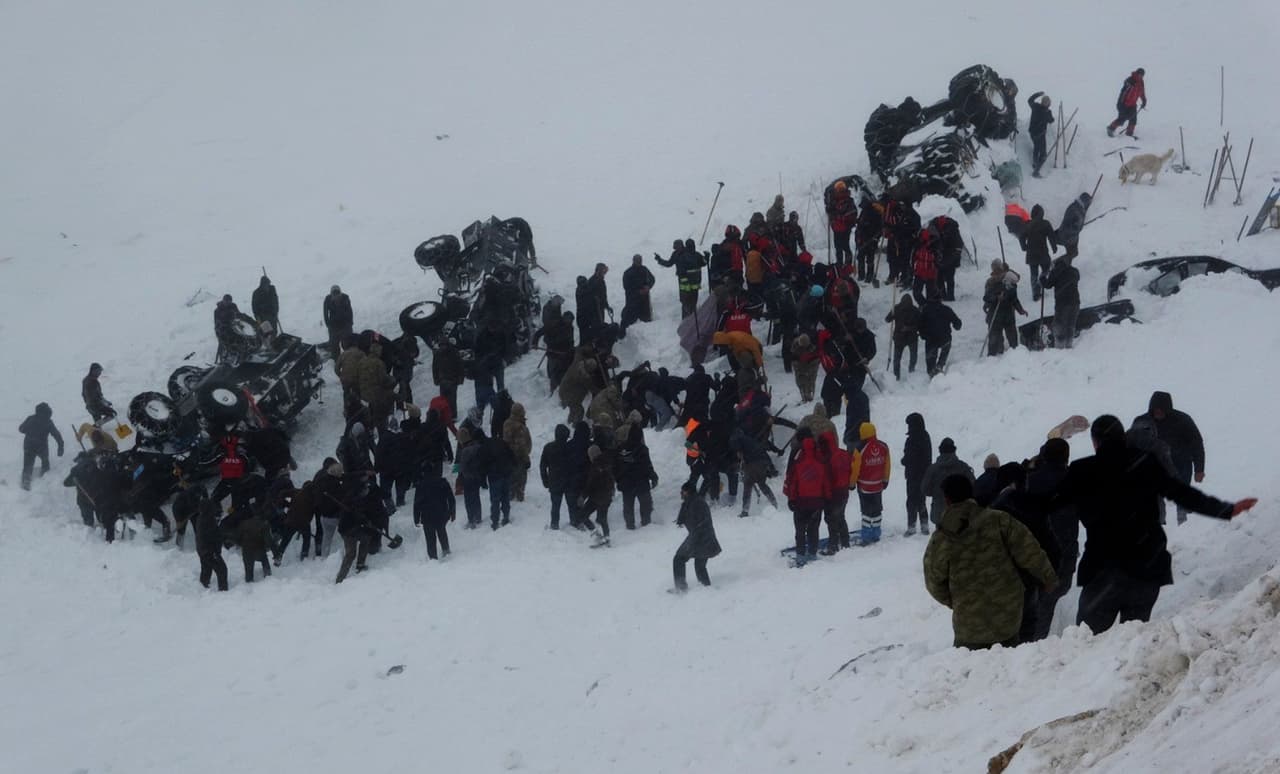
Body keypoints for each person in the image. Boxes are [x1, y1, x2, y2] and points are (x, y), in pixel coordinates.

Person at [1054, 415, 1255, 634]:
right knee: (1133, 640)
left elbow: (1049, 504)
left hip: (1103, 570)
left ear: (1095, 442)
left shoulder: (1082, 470)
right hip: (1146, 567)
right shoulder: (1145, 464)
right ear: (1123, 437)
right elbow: (1181, 493)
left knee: (1084, 641)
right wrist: (1225, 510)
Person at [923, 475, 1059, 650]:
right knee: (1006, 664)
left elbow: (933, 580)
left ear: (947, 499)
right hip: (1007, 617)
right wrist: (1048, 578)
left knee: (971, 669)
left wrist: (956, 600)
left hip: (969, 626)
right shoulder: (999, 520)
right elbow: (1029, 550)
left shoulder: (942, 537)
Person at [1025, 438, 1076, 639]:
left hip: (1035, 550)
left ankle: (1033, 643)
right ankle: (1041, 641)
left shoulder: (1030, 481)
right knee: (1052, 598)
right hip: (1065, 550)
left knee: (1034, 600)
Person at [1134, 392, 1207, 525]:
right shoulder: (1142, 422)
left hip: (1181, 465)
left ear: (1168, 409)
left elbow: (1197, 443)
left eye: (1161, 410)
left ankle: (1184, 526)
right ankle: (1158, 525)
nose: (1158, 413)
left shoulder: (1183, 420)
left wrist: (1199, 469)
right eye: (1155, 410)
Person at [783, 433, 830, 565]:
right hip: (816, 502)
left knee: (800, 530)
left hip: (801, 503)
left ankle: (800, 555)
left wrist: (791, 500)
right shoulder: (821, 464)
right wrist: (826, 498)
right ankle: (812, 553)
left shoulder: (798, 465)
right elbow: (825, 484)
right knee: (813, 529)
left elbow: (793, 485)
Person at [673, 482, 721, 591]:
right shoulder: (691, 501)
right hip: (703, 538)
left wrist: (693, 541)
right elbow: (684, 515)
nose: (681, 493)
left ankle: (681, 588)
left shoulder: (698, 503)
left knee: (679, 559)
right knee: (699, 565)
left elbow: (701, 524)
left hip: (701, 538)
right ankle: (706, 588)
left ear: (688, 492)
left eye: (683, 491)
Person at [850, 422, 890, 545]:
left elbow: (855, 468)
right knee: (877, 510)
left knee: (866, 512)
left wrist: (851, 483)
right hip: (878, 485)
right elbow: (887, 465)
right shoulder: (884, 446)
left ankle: (867, 535)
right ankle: (876, 532)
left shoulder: (860, 448)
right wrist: (885, 480)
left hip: (864, 486)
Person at [920, 437, 975, 526]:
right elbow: (973, 486)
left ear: (940, 451)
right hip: (960, 512)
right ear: (954, 450)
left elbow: (924, 489)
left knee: (940, 537)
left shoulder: (933, 469)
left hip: (939, 511)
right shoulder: (963, 467)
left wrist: (937, 493)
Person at [615, 424, 658, 529]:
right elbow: (647, 465)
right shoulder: (642, 449)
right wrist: (653, 477)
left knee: (628, 506)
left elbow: (615, 466)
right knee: (645, 504)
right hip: (641, 482)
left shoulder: (621, 448)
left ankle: (630, 526)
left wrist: (618, 479)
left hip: (626, 483)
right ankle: (646, 524)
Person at [816, 431, 851, 553]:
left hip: (832, 494)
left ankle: (833, 546)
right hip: (844, 492)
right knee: (840, 517)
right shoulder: (843, 454)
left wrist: (825, 495)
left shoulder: (826, 459)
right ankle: (845, 542)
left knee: (831, 520)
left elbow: (827, 479)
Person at [983, 261, 1027, 356]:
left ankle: (1015, 355)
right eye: (996, 273)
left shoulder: (1009, 282)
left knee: (1013, 338)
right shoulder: (990, 283)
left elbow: (1014, 298)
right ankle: (992, 360)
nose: (998, 275)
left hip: (1008, 315)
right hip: (995, 315)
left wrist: (1020, 310)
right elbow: (986, 297)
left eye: (1000, 272)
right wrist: (995, 298)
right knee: (995, 340)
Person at [18, 402, 63, 490]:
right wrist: (60, 446)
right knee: (45, 462)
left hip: (29, 445)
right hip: (41, 446)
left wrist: (28, 430)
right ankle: (45, 478)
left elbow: (21, 429)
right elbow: (56, 434)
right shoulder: (48, 422)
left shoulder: (30, 418)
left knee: (28, 464)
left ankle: (26, 481)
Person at [1019, 204, 1058, 301]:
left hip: (1031, 254)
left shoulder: (1028, 224)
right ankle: (1043, 281)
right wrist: (1054, 247)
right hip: (1042, 253)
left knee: (1033, 274)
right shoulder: (1045, 223)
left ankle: (1036, 293)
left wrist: (1024, 247)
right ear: (1041, 213)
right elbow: (1051, 236)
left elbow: (1021, 236)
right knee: (1047, 268)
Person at [1040, 256, 1080, 348]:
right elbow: (1077, 278)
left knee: (1060, 325)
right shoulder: (1074, 271)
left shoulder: (1055, 272)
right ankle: (1069, 345)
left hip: (1062, 304)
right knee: (1071, 325)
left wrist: (1042, 277)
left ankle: (1060, 347)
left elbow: (1047, 284)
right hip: (1075, 302)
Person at [414, 469, 455, 560]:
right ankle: (446, 550)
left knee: (430, 537)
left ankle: (433, 557)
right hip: (441, 513)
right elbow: (451, 498)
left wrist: (416, 518)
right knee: (442, 532)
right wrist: (452, 512)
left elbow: (417, 504)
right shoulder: (442, 482)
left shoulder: (421, 485)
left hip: (427, 515)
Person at [902, 413, 932, 536]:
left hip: (912, 474)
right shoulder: (926, 436)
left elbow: (909, 457)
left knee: (911, 500)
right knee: (921, 500)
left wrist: (903, 461)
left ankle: (911, 526)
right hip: (924, 474)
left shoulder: (911, 439)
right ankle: (924, 525)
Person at [920, 292, 962, 376]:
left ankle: (931, 371)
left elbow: (920, 324)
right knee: (946, 347)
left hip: (930, 339)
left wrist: (923, 334)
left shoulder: (925, 310)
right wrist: (956, 325)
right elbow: (957, 324)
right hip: (945, 337)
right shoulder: (946, 309)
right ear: (940, 300)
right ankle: (940, 365)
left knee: (930, 356)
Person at [580, 445, 615, 545]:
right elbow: (611, 479)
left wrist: (583, 496)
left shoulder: (595, 466)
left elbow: (590, 484)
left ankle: (597, 536)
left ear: (592, 455)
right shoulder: (607, 462)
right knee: (602, 518)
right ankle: (606, 537)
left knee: (583, 515)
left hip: (596, 497)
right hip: (606, 496)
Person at [884, 295, 921, 381]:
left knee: (913, 357)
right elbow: (887, 319)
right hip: (899, 338)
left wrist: (909, 328)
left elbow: (920, 325)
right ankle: (896, 377)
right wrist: (891, 314)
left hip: (911, 338)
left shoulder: (915, 311)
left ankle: (911, 372)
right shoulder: (897, 308)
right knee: (897, 359)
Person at [195, 499, 230, 591]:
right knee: (222, 569)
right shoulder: (208, 520)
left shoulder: (200, 518)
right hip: (210, 551)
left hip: (202, 550)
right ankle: (223, 591)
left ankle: (202, 588)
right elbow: (213, 535)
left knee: (206, 569)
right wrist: (215, 550)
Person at [619, 254, 656, 334]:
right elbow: (626, 287)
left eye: (640, 260)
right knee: (629, 321)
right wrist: (638, 292)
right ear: (633, 261)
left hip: (644, 301)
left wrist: (648, 287)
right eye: (638, 261)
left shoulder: (644, 269)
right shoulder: (628, 272)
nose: (639, 262)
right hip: (632, 301)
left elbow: (652, 279)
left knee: (646, 320)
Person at [1106, 68, 1147, 138]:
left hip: (1133, 104)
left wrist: (1144, 100)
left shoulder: (1141, 83)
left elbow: (1141, 92)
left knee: (1133, 119)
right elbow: (1123, 93)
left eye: (1142, 75)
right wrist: (1121, 105)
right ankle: (1110, 128)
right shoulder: (1130, 81)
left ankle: (1129, 133)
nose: (1141, 76)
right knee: (1122, 118)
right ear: (1137, 73)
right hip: (1123, 103)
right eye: (1139, 74)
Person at [826, 180, 858, 266]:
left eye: (840, 190)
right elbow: (831, 211)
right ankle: (839, 264)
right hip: (836, 227)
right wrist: (830, 211)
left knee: (845, 246)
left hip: (845, 227)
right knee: (838, 247)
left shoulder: (849, 201)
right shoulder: (835, 201)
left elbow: (852, 214)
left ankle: (847, 265)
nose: (839, 192)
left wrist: (839, 217)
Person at [1056, 193, 1091, 261]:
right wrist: (1077, 228)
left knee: (1072, 253)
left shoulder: (1074, 206)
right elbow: (1074, 227)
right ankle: (1059, 263)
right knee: (1073, 253)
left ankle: (1062, 264)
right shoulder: (1078, 212)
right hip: (1068, 237)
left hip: (1066, 234)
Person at [1027, 91, 1054, 177]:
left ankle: (1035, 163)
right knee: (1043, 154)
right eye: (1047, 102)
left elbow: (1030, 100)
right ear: (1048, 104)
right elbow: (1051, 120)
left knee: (1036, 147)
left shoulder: (1035, 106)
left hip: (1033, 133)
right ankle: (1036, 171)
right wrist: (1048, 114)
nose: (1047, 104)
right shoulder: (1046, 112)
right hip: (1040, 135)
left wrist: (1038, 94)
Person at [323, 285, 354, 356]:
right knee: (334, 346)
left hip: (345, 324)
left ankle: (349, 357)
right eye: (334, 294)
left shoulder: (345, 298)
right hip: (333, 325)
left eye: (338, 294)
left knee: (347, 344)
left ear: (340, 293)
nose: (336, 296)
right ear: (331, 295)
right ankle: (335, 358)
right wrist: (328, 325)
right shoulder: (327, 300)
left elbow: (350, 312)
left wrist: (350, 324)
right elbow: (325, 314)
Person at [790, 334, 819, 403]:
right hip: (800, 365)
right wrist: (799, 369)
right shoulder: (795, 346)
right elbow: (794, 360)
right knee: (800, 381)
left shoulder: (813, 347)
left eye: (805, 347)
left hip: (811, 365)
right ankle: (803, 396)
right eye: (802, 346)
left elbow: (816, 362)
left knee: (811, 380)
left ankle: (810, 396)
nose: (804, 348)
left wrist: (809, 371)